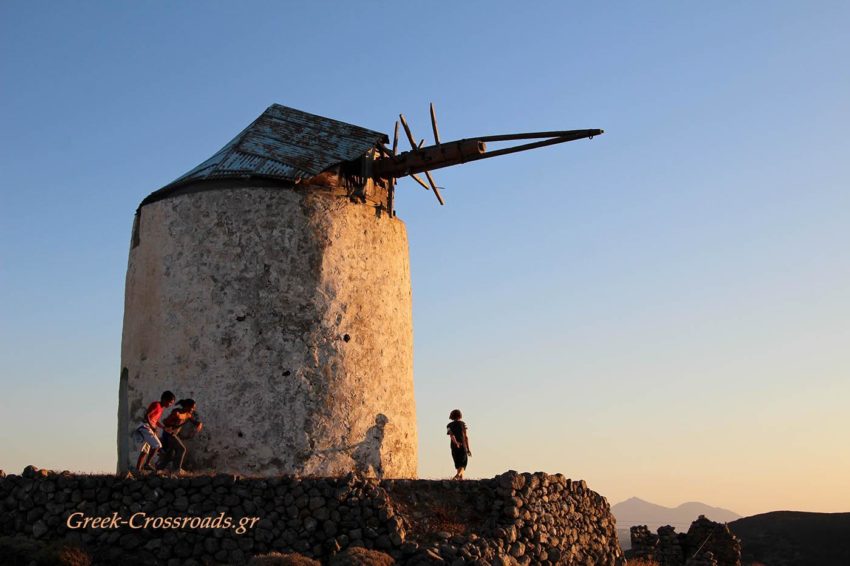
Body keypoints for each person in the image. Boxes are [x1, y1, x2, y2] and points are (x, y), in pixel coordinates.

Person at [157, 398, 203, 475]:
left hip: (174, 434)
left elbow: (194, 422)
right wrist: (173, 425)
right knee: (182, 449)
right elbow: (165, 422)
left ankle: (158, 469)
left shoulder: (188, 414)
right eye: (192, 408)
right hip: (169, 434)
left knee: (170, 454)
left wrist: (199, 424)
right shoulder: (176, 412)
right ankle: (177, 470)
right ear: (187, 406)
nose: (193, 409)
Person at [135, 391, 176, 472]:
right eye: (170, 402)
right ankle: (147, 464)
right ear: (164, 399)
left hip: (148, 428)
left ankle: (138, 470)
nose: (170, 405)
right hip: (145, 427)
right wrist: (151, 427)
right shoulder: (156, 405)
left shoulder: (161, 408)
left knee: (145, 450)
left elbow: (155, 421)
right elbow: (147, 416)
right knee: (157, 445)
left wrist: (163, 428)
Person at [446, 409, 471, 480]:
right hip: (462, 445)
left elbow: (451, 435)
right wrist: (468, 449)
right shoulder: (462, 424)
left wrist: (456, 443)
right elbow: (465, 437)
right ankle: (457, 476)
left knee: (458, 465)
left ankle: (461, 480)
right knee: (463, 465)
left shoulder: (448, 425)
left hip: (453, 446)